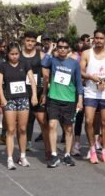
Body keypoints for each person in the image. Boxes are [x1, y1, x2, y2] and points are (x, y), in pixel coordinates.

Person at [43, 37, 83, 168]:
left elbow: (78, 83)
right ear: (57, 48)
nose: (62, 49)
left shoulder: (74, 63)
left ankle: (67, 155)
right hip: (54, 98)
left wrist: (80, 100)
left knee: (68, 128)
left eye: (65, 47)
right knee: (52, 125)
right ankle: (54, 155)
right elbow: (43, 63)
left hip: (69, 100)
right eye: (60, 47)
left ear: (69, 49)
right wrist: (49, 49)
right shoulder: (53, 60)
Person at [0, 42, 37, 169]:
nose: (14, 56)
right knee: (11, 129)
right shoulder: (3, 66)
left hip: (23, 98)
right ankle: (9, 158)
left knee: (23, 129)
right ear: (7, 54)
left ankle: (22, 156)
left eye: (16, 54)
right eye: (12, 54)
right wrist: (2, 97)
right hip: (9, 99)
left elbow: (31, 80)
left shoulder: (25, 64)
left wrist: (34, 95)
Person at [81, 29, 105, 164]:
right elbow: (81, 71)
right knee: (89, 121)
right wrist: (92, 77)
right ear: (93, 39)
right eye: (96, 38)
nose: (99, 41)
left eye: (102, 38)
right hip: (91, 92)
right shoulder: (86, 53)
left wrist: (103, 80)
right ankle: (92, 149)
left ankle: (104, 150)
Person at [21, 31, 50, 158]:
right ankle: (22, 153)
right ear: (24, 41)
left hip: (38, 92)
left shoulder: (41, 55)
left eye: (33, 41)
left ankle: (48, 150)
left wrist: (44, 93)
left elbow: (46, 76)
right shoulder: (17, 55)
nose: (30, 43)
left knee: (43, 122)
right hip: (21, 93)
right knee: (22, 125)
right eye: (28, 40)